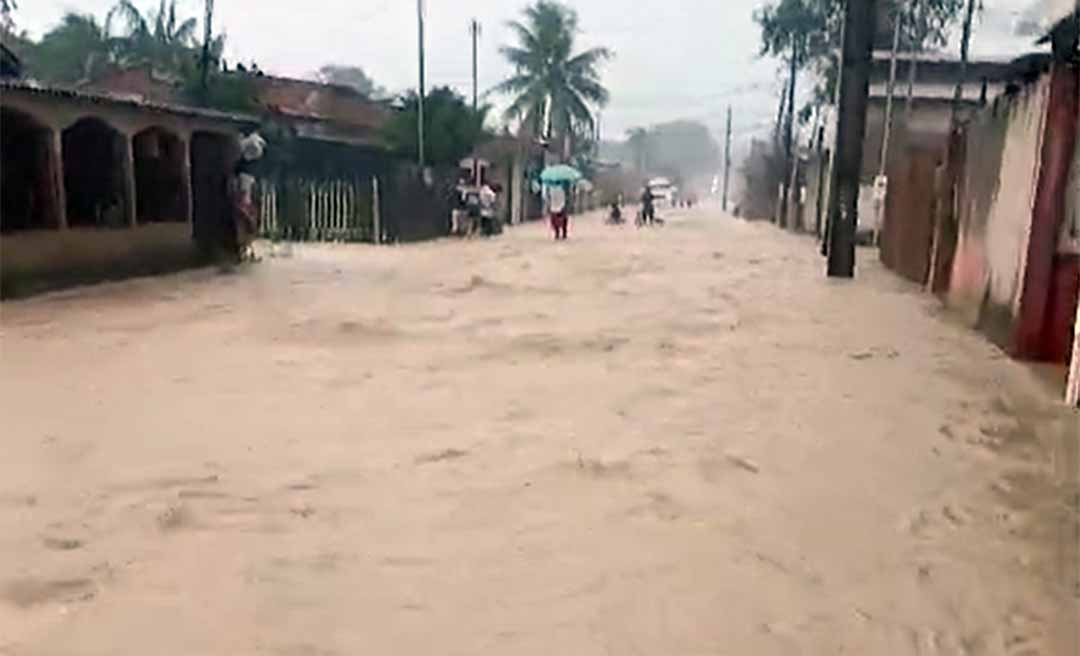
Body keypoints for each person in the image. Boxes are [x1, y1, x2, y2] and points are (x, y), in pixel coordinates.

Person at [229, 159, 259, 261]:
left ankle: (243, 253)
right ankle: (247, 253)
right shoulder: (247, 178)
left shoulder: (233, 179)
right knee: (249, 229)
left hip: (238, 205)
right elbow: (245, 192)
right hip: (245, 205)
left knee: (241, 230)